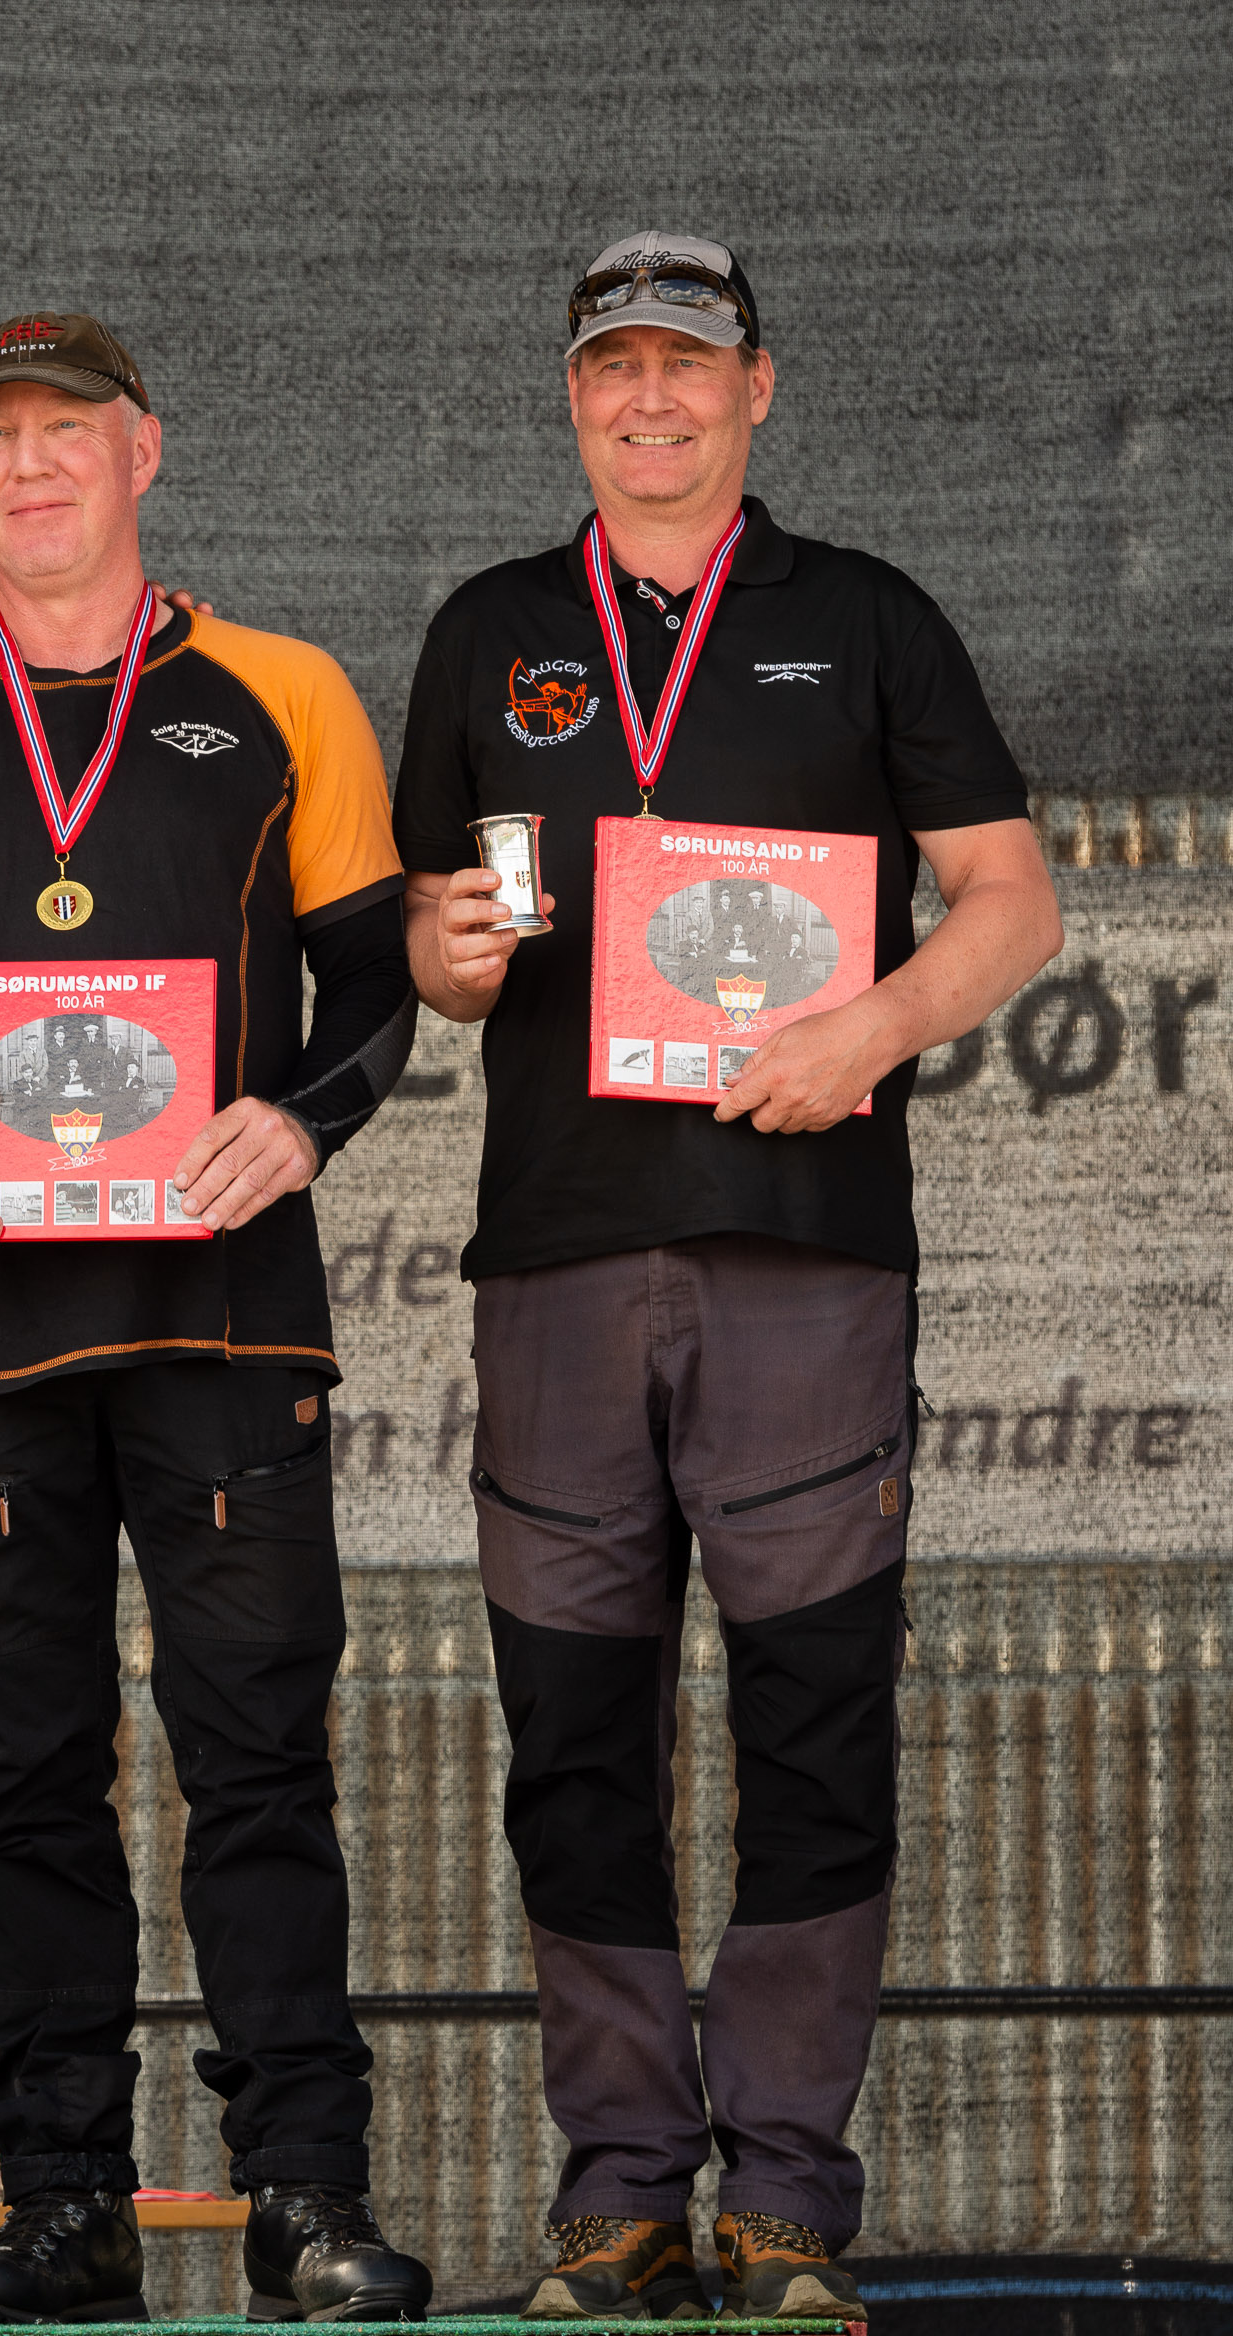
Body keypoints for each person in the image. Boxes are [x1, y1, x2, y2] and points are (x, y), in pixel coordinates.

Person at [394, 233, 1062, 2321]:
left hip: (806, 1258)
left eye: (689, 364)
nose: (652, 398)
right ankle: (616, 2190)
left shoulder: (864, 617)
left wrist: (872, 1026)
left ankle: (782, 2197)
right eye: (617, 367)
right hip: (559, 1257)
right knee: (570, 1733)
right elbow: (429, 939)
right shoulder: (493, 629)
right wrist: (447, 950)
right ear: (573, 397)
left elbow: (1011, 900)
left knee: (814, 1719)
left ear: (758, 387)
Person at [0, 311, 432, 2326]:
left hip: (222, 1314)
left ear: (143, 449)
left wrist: (296, 1121)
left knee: (258, 1758)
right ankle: (62, 2204)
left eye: (69, 427)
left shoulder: (283, 692)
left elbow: (372, 984)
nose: (33, 463)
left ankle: (304, 2195)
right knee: (27, 1779)